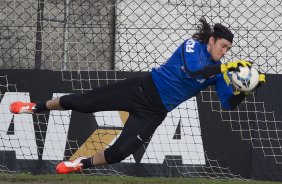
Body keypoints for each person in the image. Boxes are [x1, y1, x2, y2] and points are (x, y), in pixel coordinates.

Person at [9, 17, 265, 174]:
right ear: (211, 40)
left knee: (120, 152)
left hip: (153, 113)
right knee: (84, 103)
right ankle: (36, 107)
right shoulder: (192, 46)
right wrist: (223, 67)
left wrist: (246, 91)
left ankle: (79, 165)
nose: (225, 51)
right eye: (223, 46)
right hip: (140, 89)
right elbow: (192, 70)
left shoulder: (219, 73)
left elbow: (228, 104)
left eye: (228, 49)